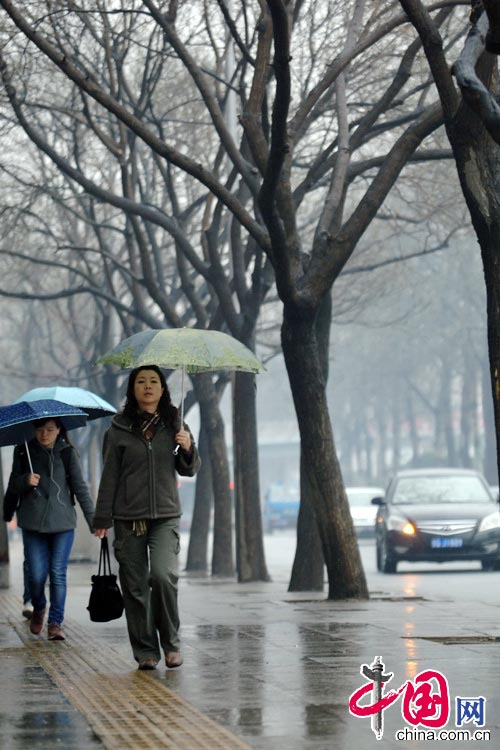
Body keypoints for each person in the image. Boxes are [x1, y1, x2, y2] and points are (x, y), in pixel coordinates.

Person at [93, 365, 200, 671]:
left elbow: (189, 469)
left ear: (163, 389)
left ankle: (172, 643)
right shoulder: (117, 430)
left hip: (165, 515)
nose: (148, 386)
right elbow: (110, 476)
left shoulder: (175, 424)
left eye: (154, 381)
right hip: (128, 518)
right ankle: (146, 651)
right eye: (141, 381)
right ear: (133, 389)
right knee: (136, 587)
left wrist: (188, 447)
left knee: (164, 577)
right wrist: (102, 519)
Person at [7, 418, 95, 640]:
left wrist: (95, 520)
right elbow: (12, 486)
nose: (44, 434)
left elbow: (80, 488)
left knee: (57, 573)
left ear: (59, 431)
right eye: (40, 429)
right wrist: (25, 481)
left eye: (50, 429)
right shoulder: (23, 451)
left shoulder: (67, 453)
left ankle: (56, 622)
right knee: (36, 575)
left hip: (62, 523)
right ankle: (39, 607)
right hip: (32, 522)